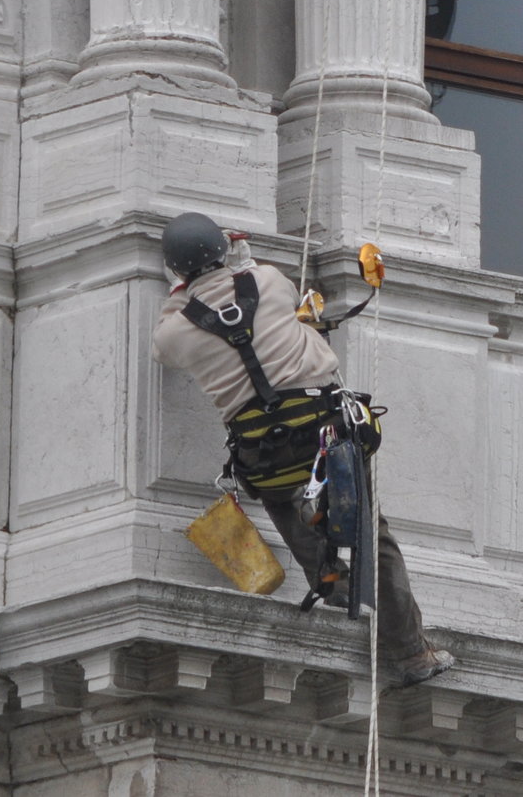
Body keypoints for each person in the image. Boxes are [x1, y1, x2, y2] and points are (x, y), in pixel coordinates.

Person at [152, 212, 455, 687]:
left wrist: (178, 295)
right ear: (222, 250)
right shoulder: (269, 281)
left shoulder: (176, 330)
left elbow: (162, 348)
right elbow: (269, 294)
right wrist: (242, 261)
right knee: (375, 537)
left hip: (265, 457)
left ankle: (327, 577)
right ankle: (411, 652)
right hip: (326, 435)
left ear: (176, 269)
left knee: (278, 499)